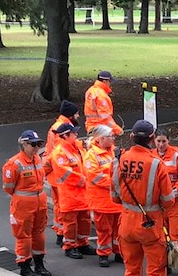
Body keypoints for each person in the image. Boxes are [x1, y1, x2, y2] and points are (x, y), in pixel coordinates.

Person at [111, 120, 175, 276]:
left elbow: (114, 196)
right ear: (151, 138)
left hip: (127, 223)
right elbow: (168, 200)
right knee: (156, 271)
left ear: (131, 137)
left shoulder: (119, 160)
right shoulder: (156, 164)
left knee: (132, 270)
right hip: (150, 224)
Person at [1, 129, 50, 276]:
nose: (36, 148)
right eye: (33, 145)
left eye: (39, 144)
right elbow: (8, 187)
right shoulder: (14, 164)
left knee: (39, 234)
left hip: (39, 203)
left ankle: (39, 264)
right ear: (24, 145)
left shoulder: (37, 160)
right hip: (23, 205)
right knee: (24, 236)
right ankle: (25, 266)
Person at [152, 127, 178, 276]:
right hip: (159, 205)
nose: (161, 144)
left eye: (164, 141)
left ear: (168, 141)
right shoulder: (151, 155)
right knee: (162, 236)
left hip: (176, 203)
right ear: (154, 141)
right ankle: (166, 263)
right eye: (158, 141)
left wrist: (169, 196)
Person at [50, 122, 93, 259]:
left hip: (82, 194)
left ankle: (82, 243)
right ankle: (70, 246)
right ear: (65, 135)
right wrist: (84, 180)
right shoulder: (59, 153)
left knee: (84, 220)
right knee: (71, 223)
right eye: (74, 133)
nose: (77, 135)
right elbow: (66, 173)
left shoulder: (75, 148)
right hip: (69, 195)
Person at [83, 125, 121, 267]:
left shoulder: (114, 152)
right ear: (102, 138)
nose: (113, 138)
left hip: (116, 200)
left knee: (118, 229)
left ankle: (118, 251)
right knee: (104, 229)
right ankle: (103, 254)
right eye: (111, 136)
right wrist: (115, 183)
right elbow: (95, 177)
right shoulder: (91, 155)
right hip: (101, 200)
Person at [44, 99, 81, 247]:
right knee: (63, 207)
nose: (78, 116)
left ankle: (61, 232)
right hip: (58, 171)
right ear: (71, 115)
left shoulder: (58, 125)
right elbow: (63, 150)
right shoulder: (62, 128)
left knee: (60, 205)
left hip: (54, 171)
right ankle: (62, 234)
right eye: (77, 113)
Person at [84, 70, 123, 137]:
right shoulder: (101, 95)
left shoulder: (90, 90)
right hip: (101, 129)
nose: (110, 84)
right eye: (109, 81)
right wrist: (117, 130)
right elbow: (105, 118)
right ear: (104, 81)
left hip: (91, 126)